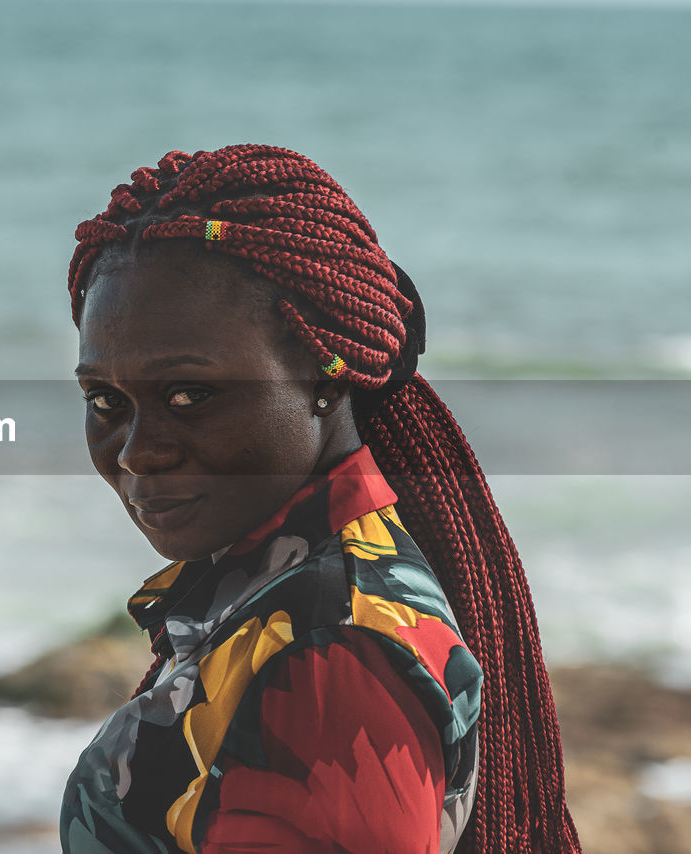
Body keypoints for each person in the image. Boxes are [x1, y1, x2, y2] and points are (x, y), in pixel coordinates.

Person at [58, 145, 580, 854]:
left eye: (189, 394)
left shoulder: (332, 649)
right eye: (105, 400)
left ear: (324, 380)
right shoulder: (282, 593)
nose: (135, 451)